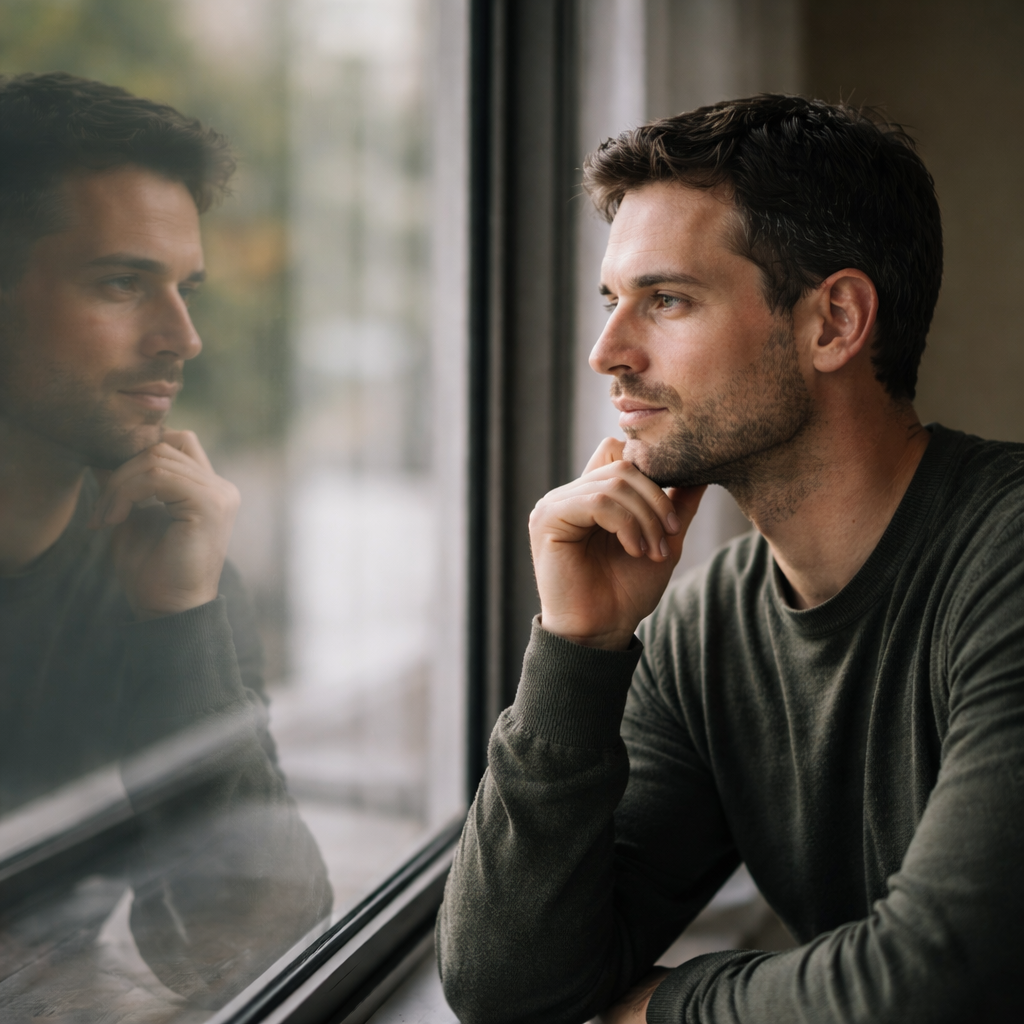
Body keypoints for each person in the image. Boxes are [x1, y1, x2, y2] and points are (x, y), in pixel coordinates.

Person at [437, 94, 1024, 1023]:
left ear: (833, 322)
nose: (606, 353)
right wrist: (577, 649)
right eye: (611, 303)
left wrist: (659, 1009)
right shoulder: (708, 628)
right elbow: (505, 982)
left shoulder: (1008, 561)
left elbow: (935, 982)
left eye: (666, 300)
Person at [0, 73, 330, 1009]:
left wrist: (179, 622)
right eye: (119, 283)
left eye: (185, 290)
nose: (182, 338)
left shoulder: (167, 561)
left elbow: (264, 947)